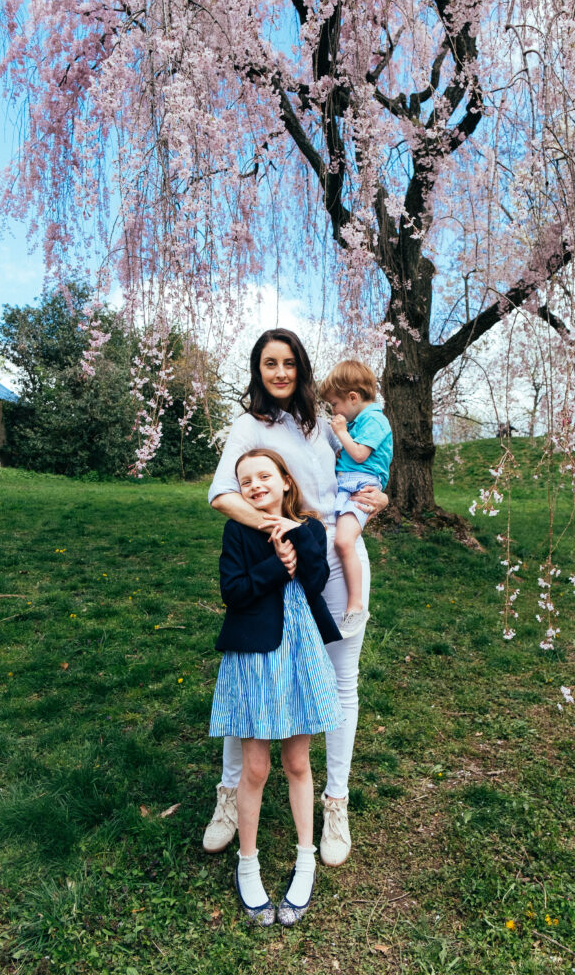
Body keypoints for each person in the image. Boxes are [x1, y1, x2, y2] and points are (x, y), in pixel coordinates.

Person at [204, 328, 387, 868]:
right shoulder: (249, 425)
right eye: (270, 363)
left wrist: (377, 493)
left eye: (288, 362)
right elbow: (221, 494)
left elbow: (360, 467)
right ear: (258, 370)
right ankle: (229, 796)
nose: (280, 372)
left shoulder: (322, 421)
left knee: (341, 680)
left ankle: (336, 802)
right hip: (280, 556)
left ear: (301, 367)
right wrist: (278, 527)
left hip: (335, 556)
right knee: (252, 673)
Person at [208, 449, 344, 925]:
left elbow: (317, 579)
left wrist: (294, 542)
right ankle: (248, 864)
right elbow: (233, 591)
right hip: (254, 654)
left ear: (286, 481)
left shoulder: (310, 528)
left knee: (298, 762)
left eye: (264, 476)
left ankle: (306, 858)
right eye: (245, 481)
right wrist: (276, 566)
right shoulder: (237, 531)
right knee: (255, 767)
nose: (255, 485)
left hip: (300, 650)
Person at [318, 360, 393, 638]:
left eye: (334, 404)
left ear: (353, 397)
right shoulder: (360, 421)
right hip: (347, 484)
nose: (333, 411)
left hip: (361, 486)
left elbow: (360, 455)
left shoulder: (375, 419)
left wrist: (341, 433)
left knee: (343, 541)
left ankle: (356, 606)